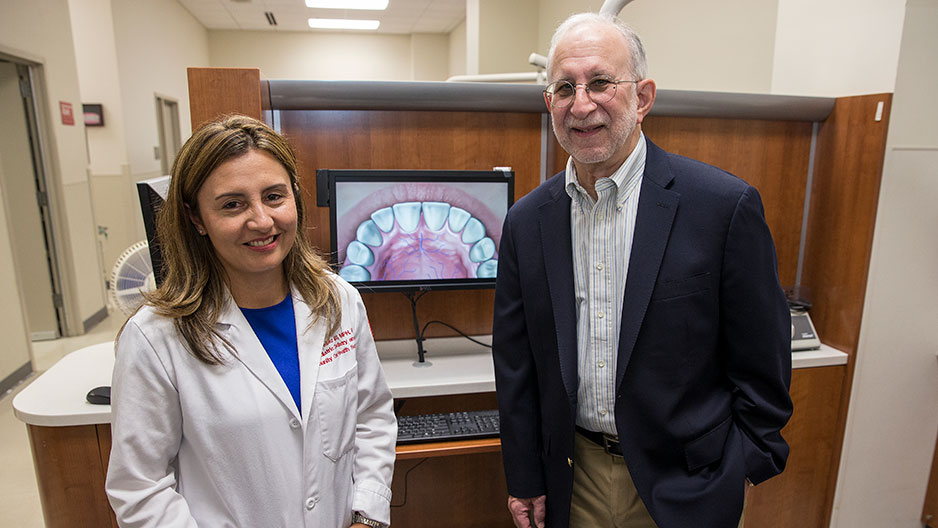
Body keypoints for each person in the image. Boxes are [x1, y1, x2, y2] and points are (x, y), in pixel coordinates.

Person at [492, 13, 793, 528]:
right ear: (549, 104)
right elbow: (517, 368)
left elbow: (763, 358)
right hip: (574, 477)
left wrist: (742, 466)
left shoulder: (722, 207)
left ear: (643, 97)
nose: (581, 104)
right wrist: (525, 477)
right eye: (565, 87)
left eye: (601, 83)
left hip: (688, 484)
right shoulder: (527, 222)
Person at [105, 115, 396, 528]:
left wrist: (366, 516)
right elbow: (140, 489)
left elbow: (371, 417)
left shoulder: (339, 301)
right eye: (232, 204)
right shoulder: (156, 338)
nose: (262, 221)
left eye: (274, 196)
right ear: (196, 219)